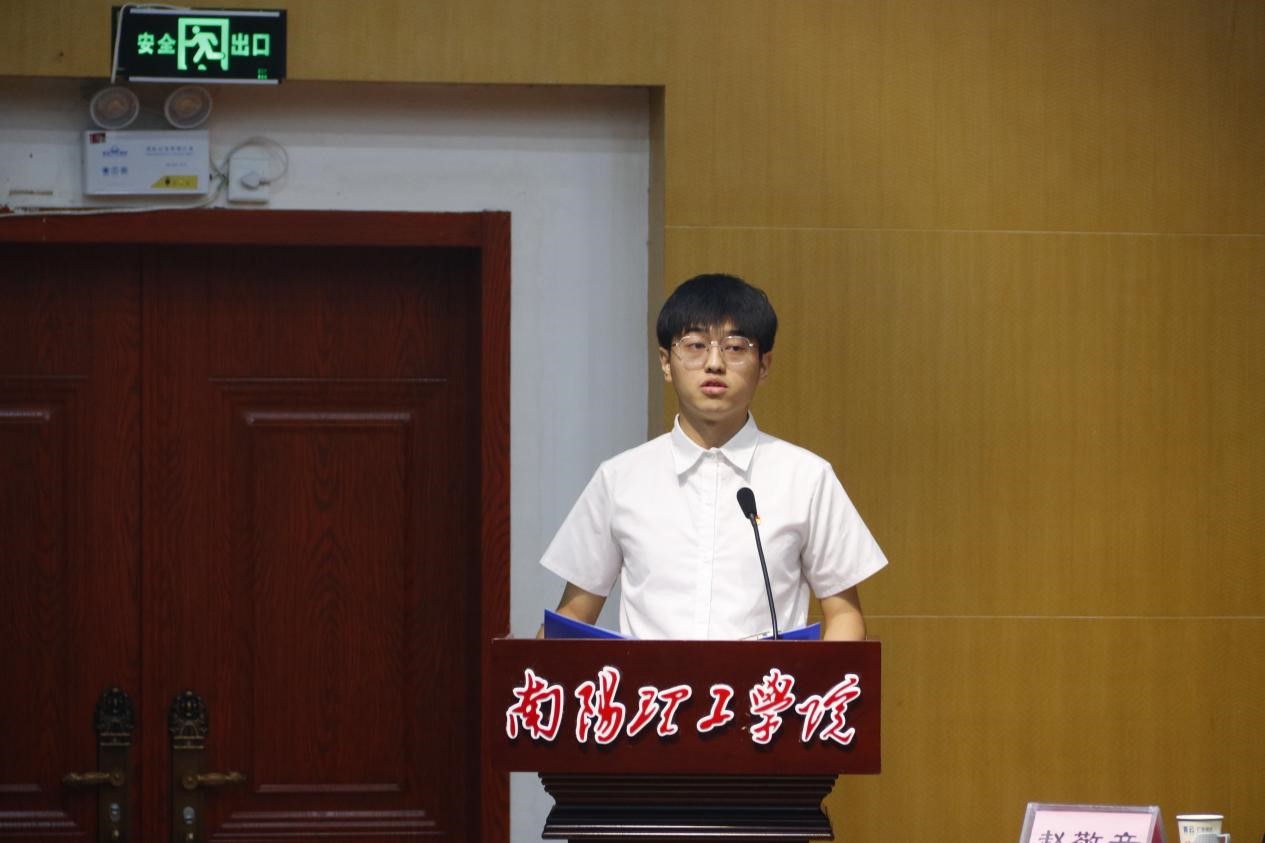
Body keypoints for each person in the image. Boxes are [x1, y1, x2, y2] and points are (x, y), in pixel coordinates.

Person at [539, 273, 887, 640]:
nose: (714, 363)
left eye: (735, 348)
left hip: (767, 680)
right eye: (695, 345)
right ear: (665, 362)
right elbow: (573, 614)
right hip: (653, 680)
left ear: (764, 365)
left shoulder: (807, 478)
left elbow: (844, 615)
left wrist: (821, 677)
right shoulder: (620, 479)